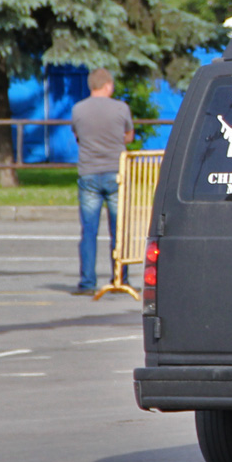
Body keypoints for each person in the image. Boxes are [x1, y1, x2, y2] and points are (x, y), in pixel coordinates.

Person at [71, 69, 134, 295]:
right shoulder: (121, 108)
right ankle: (120, 278)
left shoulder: (78, 109)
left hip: (88, 173)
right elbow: (129, 136)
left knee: (89, 230)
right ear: (107, 85)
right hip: (116, 172)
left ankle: (87, 282)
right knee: (119, 229)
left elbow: (78, 137)